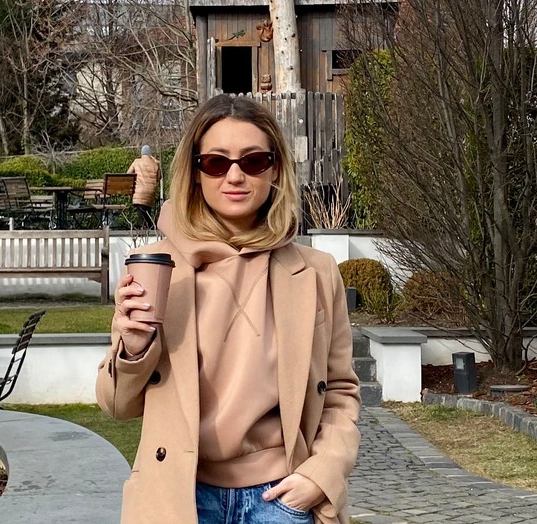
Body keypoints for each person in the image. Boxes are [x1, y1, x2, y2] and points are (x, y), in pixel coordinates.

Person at [96, 94, 362, 524]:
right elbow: (117, 406)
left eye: (253, 161)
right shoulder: (156, 267)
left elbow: (340, 391)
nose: (235, 176)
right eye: (216, 163)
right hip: (180, 499)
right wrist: (133, 348)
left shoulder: (316, 271)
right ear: (195, 172)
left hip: (281, 498)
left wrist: (324, 471)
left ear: (275, 169)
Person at [127, 144, 161, 228]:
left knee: (141, 214)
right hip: (151, 192)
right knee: (147, 211)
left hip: (139, 192)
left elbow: (128, 174)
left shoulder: (137, 162)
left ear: (142, 153)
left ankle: (144, 227)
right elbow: (159, 177)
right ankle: (149, 226)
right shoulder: (155, 164)